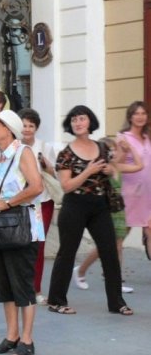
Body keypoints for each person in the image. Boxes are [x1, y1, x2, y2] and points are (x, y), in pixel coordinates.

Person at [46, 105, 132, 316]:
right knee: (67, 253)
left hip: (100, 206)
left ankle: (116, 302)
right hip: (75, 205)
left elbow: (113, 170)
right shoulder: (66, 153)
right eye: (74, 119)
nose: (78, 123)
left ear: (89, 122)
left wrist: (108, 168)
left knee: (110, 252)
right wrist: (88, 171)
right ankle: (56, 300)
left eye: (82, 119)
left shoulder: (101, 148)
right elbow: (66, 185)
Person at [0, 111, 44, 355]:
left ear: (8, 129)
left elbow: (36, 186)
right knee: (5, 285)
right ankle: (12, 336)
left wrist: (7, 203)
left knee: (23, 285)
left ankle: (27, 340)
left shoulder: (22, 152)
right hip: (0, 227)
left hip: (22, 226)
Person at [73, 136, 142, 294]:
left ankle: (91, 273)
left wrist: (130, 149)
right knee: (110, 246)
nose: (111, 152)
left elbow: (140, 165)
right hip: (106, 210)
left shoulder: (117, 166)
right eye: (108, 149)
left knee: (116, 247)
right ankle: (85, 271)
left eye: (113, 149)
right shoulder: (100, 167)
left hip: (119, 210)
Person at [19, 109, 61, 303]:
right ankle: (20, 285)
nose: (27, 129)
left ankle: (35, 289)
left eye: (31, 126)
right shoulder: (13, 146)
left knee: (37, 246)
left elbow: (54, 173)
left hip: (40, 203)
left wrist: (46, 165)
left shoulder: (44, 147)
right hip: (19, 203)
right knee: (20, 245)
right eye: (24, 125)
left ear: (36, 128)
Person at [117, 101, 151, 258]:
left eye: (143, 113)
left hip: (148, 193)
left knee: (149, 229)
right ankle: (85, 269)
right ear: (130, 117)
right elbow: (117, 165)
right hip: (130, 194)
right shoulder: (123, 138)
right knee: (120, 236)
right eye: (136, 113)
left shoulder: (148, 136)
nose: (140, 117)